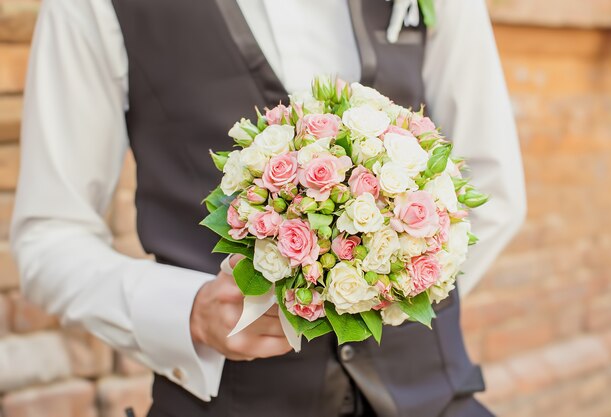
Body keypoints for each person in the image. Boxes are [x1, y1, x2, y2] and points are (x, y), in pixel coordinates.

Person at [10, 0, 526, 416]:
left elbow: (492, 187)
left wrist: (395, 295)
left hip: (433, 397)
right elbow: (49, 235)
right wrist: (186, 312)